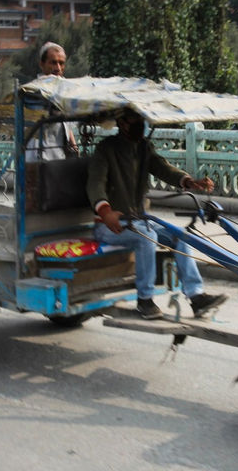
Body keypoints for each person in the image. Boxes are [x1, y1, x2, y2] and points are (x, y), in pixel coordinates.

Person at [86, 108, 228, 320]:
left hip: (139, 221)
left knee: (179, 235)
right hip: (109, 226)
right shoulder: (106, 149)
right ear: (122, 123)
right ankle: (145, 300)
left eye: (142, 119)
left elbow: (163, 168)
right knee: (148, 238)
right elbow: (94, 184)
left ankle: (196, 296)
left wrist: (188, 181)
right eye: (135, 119)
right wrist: (105, 212)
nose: (140, 124)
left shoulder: (144, 148)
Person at [27, 41, 77, 162]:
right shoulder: (33, 91)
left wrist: (73, 145)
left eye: (61, 63)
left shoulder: (66, 88)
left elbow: (66, 125)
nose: (58, 68)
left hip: (59, 156)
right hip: (39, 156)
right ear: (42, 64)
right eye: (53, 62)